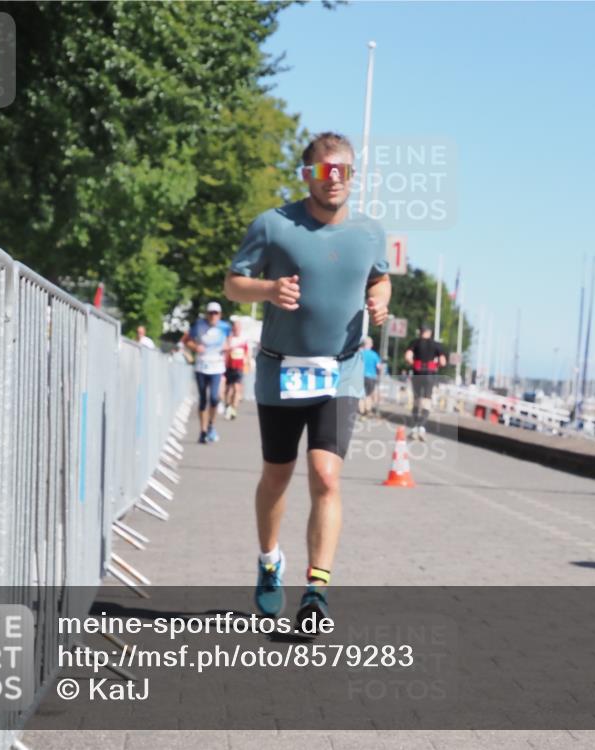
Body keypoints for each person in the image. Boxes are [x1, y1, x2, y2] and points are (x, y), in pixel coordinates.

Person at [223, 132, 391, 631]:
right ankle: (269, 560)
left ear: (353, 176)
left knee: (326, 476)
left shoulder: (369, 232)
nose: (333, 179)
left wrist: (380, 299)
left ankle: (316, 590)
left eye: (343, 171)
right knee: (277, 476)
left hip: (341, 370)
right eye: (324, 170)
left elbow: (379, 276)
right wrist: (268, 289)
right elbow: (232, 284)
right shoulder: (273, 225)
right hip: (281, 370)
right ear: (307, 176)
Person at [182, 301, 229, 444]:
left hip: (217, 367)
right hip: (202, 366)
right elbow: (186, 340)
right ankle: (202, 432)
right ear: (206, 314)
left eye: (216, 313)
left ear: (220, 315)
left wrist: (227, 347)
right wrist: (195, 347)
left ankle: (211, 426)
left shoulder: (225, 327)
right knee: (203, 399)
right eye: (210, 313)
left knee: (214, 398)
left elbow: (229, 342)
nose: (213, 316)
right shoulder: (198, 325)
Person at [404, 324, 446, 441]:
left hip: (417, 374)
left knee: (417, 400)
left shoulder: (415, 343)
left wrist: (414, 364)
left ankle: (414, 428)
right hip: (429, 375)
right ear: (430, 332)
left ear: (420, 332)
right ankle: (421, 427)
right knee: (427, 401)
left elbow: (408, 357)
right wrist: (435, 365)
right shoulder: (436, 345)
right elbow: (443, 362)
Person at [224, 318, 250, 420]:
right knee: (228, 389)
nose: (237, 329)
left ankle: (233, 409)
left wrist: (248, 363)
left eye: (238, 327)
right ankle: (227, 406)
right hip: (229, 367)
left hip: (239, 367)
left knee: (236, 388)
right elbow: (224, 350)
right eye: (235, 327)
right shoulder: (229, 338)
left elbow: (247, 352)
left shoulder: (243, 339)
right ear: (233, 328)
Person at [360, 336, 382, 417]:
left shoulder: (360, 353)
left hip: (360, 377)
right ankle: (367, 411)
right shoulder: (374, 355)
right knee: (368, 395)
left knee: (361, 395)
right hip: (371, 377)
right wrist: (379, 375)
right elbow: (379, 367)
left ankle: (362, 412)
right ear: (370, 344)